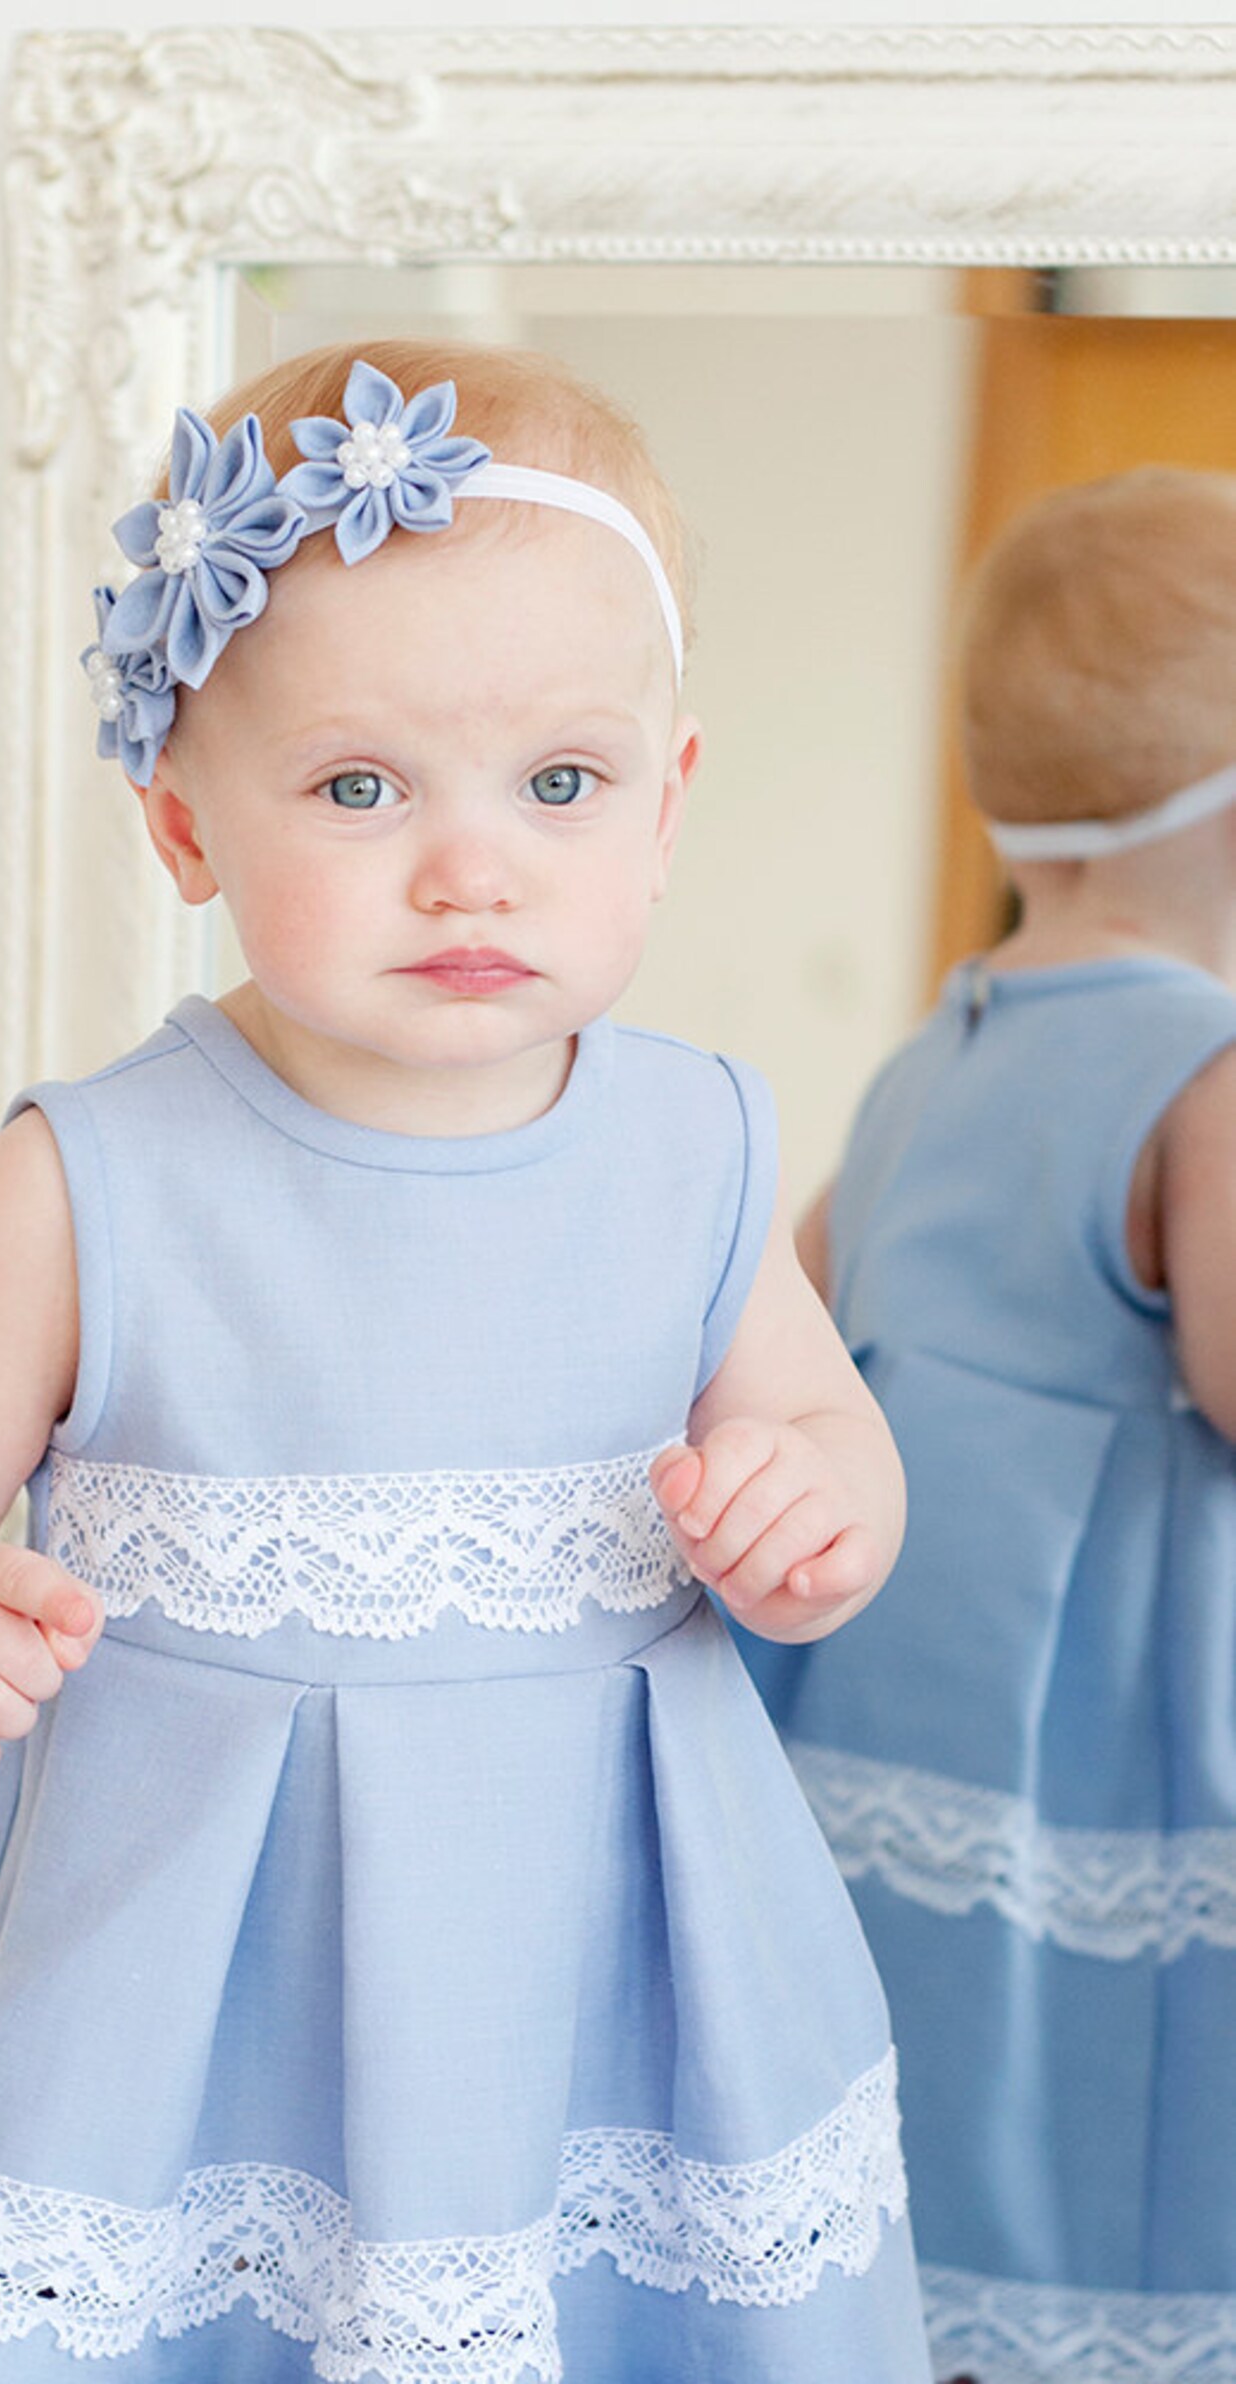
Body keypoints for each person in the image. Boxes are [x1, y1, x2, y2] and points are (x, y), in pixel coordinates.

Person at [0, 337, 929, 2383]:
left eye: (555, 784)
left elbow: (816, 1419)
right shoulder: (94, 1175)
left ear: (662, 805)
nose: (466, 863)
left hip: (594, 1971)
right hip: (188, 1986)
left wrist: (815, 1508)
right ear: (183, 826)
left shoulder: (695, 1148)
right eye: (356, 787)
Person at [741, 466, 1236, 2383]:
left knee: (941, 2026)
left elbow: (786, 1298)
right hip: (1108, 1697)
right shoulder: (1200, 1062)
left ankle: (916, 2320)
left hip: (896, 1680)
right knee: (1116, 2050)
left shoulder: (930, 1051)